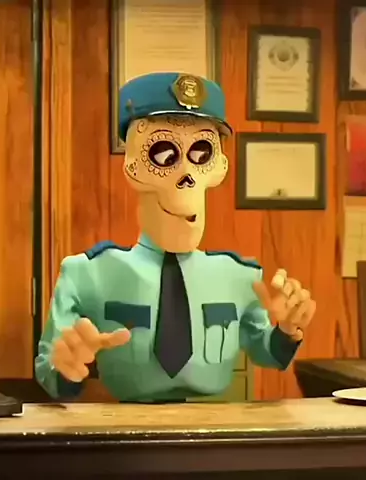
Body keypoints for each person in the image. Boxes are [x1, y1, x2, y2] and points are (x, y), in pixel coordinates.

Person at [35, 72, 316, 402]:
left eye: (201, 153)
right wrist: (66, 368)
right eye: (164, 154)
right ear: (134, 167)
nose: (186, 176)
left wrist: (287, 331)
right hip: (130, 424)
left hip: (217, 425)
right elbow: (48, 369)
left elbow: (266, 352)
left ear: (219, 167)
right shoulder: (88, 273)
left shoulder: (239, 276)